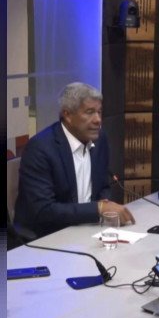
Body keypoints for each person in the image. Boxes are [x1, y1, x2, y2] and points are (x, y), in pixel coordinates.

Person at [14, 82, 135, 238]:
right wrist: (98, 209)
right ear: (68, 115)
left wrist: (105, 207)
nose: (98, 120)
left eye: (99, 112)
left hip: (89, 230)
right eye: (90, 112)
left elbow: (103, 187)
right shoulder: (40, 148)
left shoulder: (100, 140)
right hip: (47, 236)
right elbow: (43, 211)